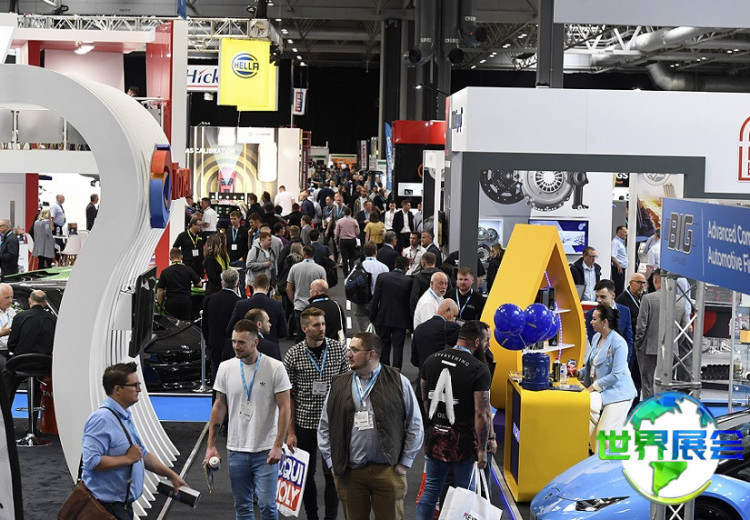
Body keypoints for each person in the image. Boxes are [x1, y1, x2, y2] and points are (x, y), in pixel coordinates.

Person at [318, 332, 423, 520]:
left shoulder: (399, 381)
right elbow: (325, 426)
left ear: (371, 354)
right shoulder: (339, 384)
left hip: (388, 471)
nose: (348, 354)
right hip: (350, 473)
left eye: (354, 350)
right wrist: (332, 462)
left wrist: (404, 462)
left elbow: (415, 425)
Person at [204, 320, 291, 520]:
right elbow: (219, 406)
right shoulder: (225, 368)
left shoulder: (275, 368)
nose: (236, 346)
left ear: (255, 342)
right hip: (236, 449)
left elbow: (285, 407)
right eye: (234, 341)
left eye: (242, 342)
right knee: (242, 506)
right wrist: (211, 446)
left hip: (266, 449)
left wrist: (278, 445)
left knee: (267, 505)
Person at [82, 362, 187, 519]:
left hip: (120, 507)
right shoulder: (101, 420)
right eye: (134, 385)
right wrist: (127, 459)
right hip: (105, 509)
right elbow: (91, 461)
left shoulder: (123, 416)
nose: (139, 389)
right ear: (118, 389)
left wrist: (171, 475)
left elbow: (141, 454)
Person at [417, 321, 492, 520]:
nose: (488, 345)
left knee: (431, 490)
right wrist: (482, 449)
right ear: (477, 342)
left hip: (435, 436)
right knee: (463, 494)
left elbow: (424, 396)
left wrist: (434, 422)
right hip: (463, 442)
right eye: (486, 340)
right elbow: (482, 413)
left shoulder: (432, 360)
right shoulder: (479, 369)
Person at [284, 307, 349, 520]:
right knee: (306, 474)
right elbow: (289, 396)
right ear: (304, 329)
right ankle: (312, 515)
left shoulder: (338, 350)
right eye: (316, 325)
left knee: (332, 473)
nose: (321, 328)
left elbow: (347, 389)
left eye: (323, 324)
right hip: (305, 423)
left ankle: (331, 517)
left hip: (333, 424)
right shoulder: (293, 355)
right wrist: (290, 432)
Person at [575, 304, 636, 453]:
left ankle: (611, 461)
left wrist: (593, 387)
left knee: (605, 433)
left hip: (620, 393)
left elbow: (616, 375)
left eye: (594, 319)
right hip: (603, 392)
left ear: (605, 322)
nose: (591, 322)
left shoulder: (619, 343)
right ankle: (597, 458)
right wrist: (579, 373)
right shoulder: (597, 337)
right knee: (594, 427)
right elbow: (593, 364)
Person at [4, 290, 56, 430]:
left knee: (7, 382)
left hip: (21, 363)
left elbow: (11, 343)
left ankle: (5, 424)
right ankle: (33, 427)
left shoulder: (20, 317)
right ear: (45, 303)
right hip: (43, 365)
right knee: (37, 388)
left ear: (29, 301)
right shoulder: (52, 319)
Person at [635, 271, 689, 399]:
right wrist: (676, 343)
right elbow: (684, 329)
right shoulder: (681, 301)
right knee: (667, 384)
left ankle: (650, 408)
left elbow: (641, 326)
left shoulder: (647, 299)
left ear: (655, 280)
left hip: (648, 348)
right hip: (671, 349)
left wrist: (638, 343)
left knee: (647, 383)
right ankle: (665, 408)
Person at [369, 256, 413, 369]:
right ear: (406, 268)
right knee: (398, 347)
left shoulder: (382, 277)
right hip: (401, 320)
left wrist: (372, 316)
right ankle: (396, 371)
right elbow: (410, 302)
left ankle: (384, 369)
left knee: (384, 344)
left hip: (384, 317)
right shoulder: (408, 281)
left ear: (395, 264)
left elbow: (375, 299)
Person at [202, 267, 241, 380]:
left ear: (222, 282)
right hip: (234, 348)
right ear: (238, 283)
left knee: (217, 380)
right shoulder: (240, 302)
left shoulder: (209, 299)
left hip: (215, 345)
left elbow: (204, 325)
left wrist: (209, 343)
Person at [616, 272, 647, 409]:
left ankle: (635, 407)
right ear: (631, 283)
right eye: (639, 282)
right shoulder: (622, 299)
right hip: (629, 344)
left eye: (643, 283)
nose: (641, 286)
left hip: (640, 345)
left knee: (638, 379)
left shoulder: (643, 298)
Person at [227, 274, 287, 343]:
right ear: (268, 287)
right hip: (271, 344)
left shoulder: (241, 305)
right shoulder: (277, 305)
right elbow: (283, 332)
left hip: (247, 345)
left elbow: (230, 329)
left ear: (253, 286)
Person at [584, 279, 633, 364]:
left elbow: (628, 339)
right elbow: (594, 343)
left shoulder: (625, 311)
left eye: (602, 297)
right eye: (597, 296)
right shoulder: (591, 315)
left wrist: (625, 361)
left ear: (612, 295)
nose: (599, 300)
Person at [287, 246, 327, 340]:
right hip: (315, 307)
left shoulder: (294, 268)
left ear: (303, 253)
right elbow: (325, 289)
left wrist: (294, 301)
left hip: (299, 306)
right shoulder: (320, 269)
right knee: (316, 336)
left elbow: (288, 288)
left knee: (301, 337)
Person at [410, 299, 461, 373]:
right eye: (454, 316)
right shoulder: (451, 328)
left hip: (423, 375)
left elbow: (414, 361)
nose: (454, 320)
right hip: (442, 376)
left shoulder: (419, 329)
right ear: (447, 310)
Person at [156, 248, 202, 321]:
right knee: (185, 325)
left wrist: (159, 305)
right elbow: (199, 284)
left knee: (171, 325)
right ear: (181, 257)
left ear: (170, 258)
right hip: (185, 302)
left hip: (171, 303)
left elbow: (160, 290)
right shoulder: (188, 269)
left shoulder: (165, 272)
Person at [352, 241, 388, 333]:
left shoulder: (358, 266)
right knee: (378, 329)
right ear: (376, 252)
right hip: (379, 301)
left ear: (364, 252)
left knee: (363, 331)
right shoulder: (384, 267)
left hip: (362, 300)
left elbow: (348, 281)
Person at [227, 211, 250, 295]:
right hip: (230, 259)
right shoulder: (228, 230)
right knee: (231, 282)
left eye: (234, 219)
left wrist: (243, 257)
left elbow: (247, 246)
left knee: (241, 283)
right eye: (231, 219)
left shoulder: (244, 231)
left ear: (239, 219)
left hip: (240, 259)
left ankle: (243, 297)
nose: (232, 221)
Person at [334, 207, 360, 276]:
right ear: (351, 213)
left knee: (344, 258)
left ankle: (345, 274)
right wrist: (355, 235)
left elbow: (336, 232)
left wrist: (336, 240)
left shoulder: (340, 221)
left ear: (344, 213)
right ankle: (351, 273)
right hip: (352, 240)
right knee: (352, 257)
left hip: (343, 241)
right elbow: (358, 232)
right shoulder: (354, 221)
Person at [0, 283, 15, 369]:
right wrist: (1, 333)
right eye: (6, 298)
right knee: (6, 369)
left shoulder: (11, 311)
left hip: (11, 349)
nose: (10, 301)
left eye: (11, 297)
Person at [611, 225, 629, 295]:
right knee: (618, 289)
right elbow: (612, 256)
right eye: (625, 232)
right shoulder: (615, 242)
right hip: (618, 269)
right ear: (619, 232)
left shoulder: (620, 242)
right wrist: (618, 266)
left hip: (620, 269)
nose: (626, 234)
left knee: (620, 288)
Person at [645, 228, 661, 293]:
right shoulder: (666, 248)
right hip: (666, 275)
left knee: (653, 295)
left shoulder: (653, 249)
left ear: (656, 236)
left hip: (655, 275)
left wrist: (645, 279)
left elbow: (650, 267)